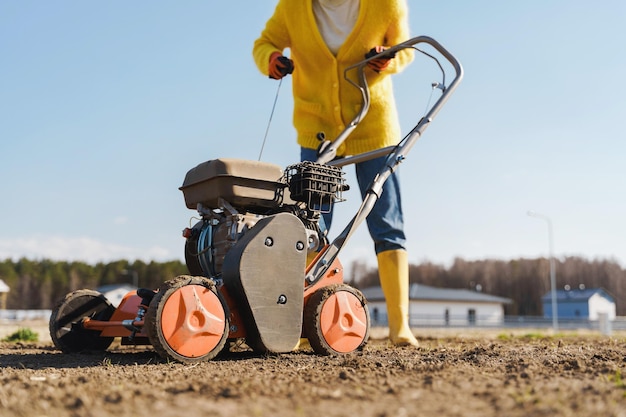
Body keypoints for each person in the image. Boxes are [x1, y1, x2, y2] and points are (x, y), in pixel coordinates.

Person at [253, 0, 418, 347]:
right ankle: (302, 323)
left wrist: (389, 57)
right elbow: (264, 42)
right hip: (318, 130)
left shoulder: (386, 5)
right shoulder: (292, 8)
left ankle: (400, 325)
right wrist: (270, 60)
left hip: (374, 124)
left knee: (386, 221)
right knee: (312, 225)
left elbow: (406, 51)